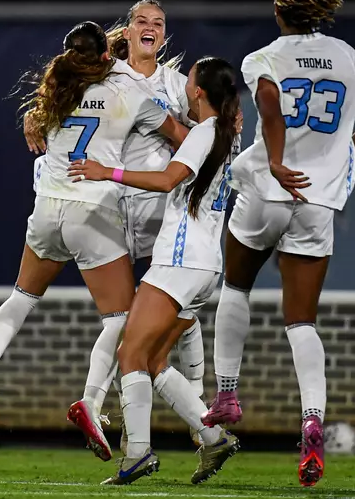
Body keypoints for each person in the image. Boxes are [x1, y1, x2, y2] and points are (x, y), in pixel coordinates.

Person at [200, 0, 355, 487]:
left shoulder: (265, 57)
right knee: (301, 322)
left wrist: (280, 159)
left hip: (266, 190)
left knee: (236, 287)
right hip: (315, 202)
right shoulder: (349, 57)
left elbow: (267, 100)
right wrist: (338, 155)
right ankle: (312, 420)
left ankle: (226, 393)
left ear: (280, 10)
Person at [0, 22, 190, 452]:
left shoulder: (55, 92)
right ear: (108, 56)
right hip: (95, 210)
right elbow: (182, 137)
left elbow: (39, 120)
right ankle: (88, 401)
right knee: (121, 318)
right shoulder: (128, 92)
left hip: (47, 208)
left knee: (20, 299)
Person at [69, 56, 243, 486]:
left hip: (178, 261)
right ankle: (212, 435)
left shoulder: (205, 132)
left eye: (190, 78)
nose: (184, 83)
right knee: (156, 360)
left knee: (130, 354)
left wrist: (105, 170)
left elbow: (168, 180)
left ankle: (140, 453)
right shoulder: (227, 133)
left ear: (198, 90)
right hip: (205, 266)